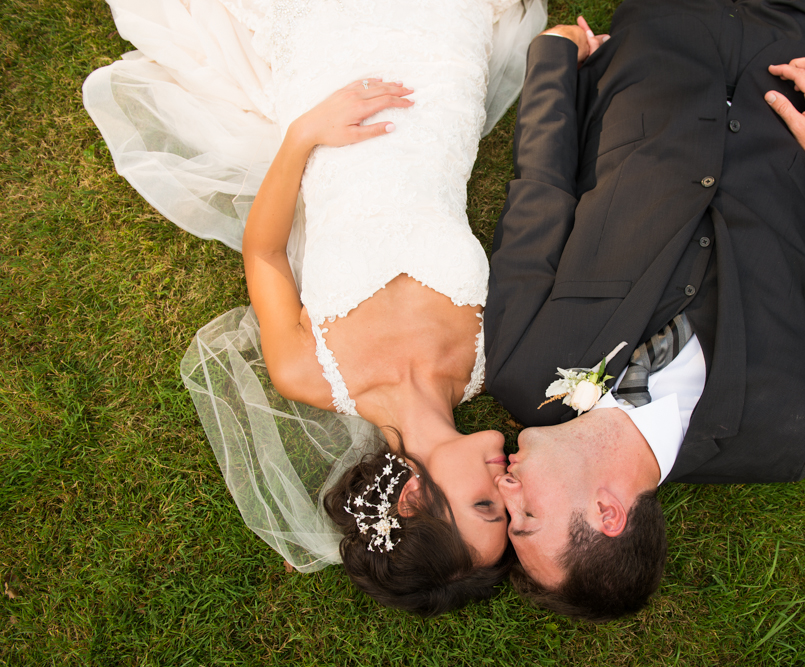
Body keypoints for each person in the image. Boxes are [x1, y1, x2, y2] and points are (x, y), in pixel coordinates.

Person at [82, 0, 546, 616]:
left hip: (329, 93)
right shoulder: (498, 354)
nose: (508, 488)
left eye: (486, 506)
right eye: (510, 511)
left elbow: (266, 252)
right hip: (439, 90)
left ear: (411, 498)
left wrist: (304, 133)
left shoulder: (306, 373)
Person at [484, 0, 805, 621]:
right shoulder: (781, 439)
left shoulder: (519, 371)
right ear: (608, 513)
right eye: (526, 517)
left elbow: (541, 192)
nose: (506, 491)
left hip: (661, 43)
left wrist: (554, 63)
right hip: (782, 53)